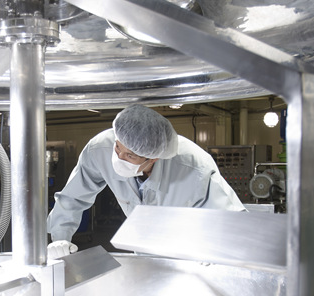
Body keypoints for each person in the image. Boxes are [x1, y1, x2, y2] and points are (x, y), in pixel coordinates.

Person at [47, 105, 245, 258]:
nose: (119, 158)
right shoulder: (100, 149)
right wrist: (60, 238)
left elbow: (232, 224)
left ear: (154, 158)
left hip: (187, 252)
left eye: (130, 156)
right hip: (142, 252)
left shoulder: (194, 168)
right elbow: (73, 197)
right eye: (118, 148)